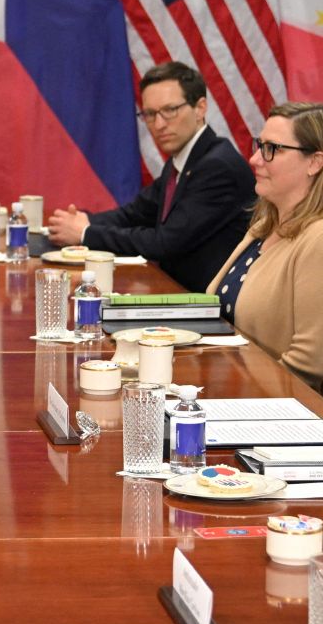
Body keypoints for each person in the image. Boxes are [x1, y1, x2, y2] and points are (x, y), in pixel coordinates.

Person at [48, 62, 256, 291]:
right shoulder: (183, 159)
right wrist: (83, 221)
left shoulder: (217, 167)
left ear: (200, 108)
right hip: (173, 292)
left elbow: (164, 242)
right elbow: (135, 213)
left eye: (169, 110)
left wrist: (85, 233)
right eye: (149, 114)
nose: (159, 124)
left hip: (205, 306)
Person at [207, 103, 323, 391]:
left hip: (276, 416)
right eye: (259, 145)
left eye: (272, 149)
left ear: (314, 162)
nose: (255, 159)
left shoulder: (318, 239)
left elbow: (310, 365)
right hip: (231, 391)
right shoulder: (263, 226)